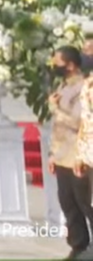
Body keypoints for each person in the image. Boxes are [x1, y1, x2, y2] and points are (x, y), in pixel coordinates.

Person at [51, 45, 93, 257]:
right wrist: (53, 154)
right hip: (62, 156)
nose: (53, 67)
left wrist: (56, 110)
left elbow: (79, 121)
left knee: (86, 203)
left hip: (79, 155)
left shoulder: (84, 88)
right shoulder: (63, 85)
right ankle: (79, 246)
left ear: (70, 65)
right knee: (68, 202)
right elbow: (58, 128)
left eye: (57, 63)